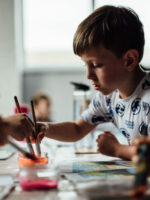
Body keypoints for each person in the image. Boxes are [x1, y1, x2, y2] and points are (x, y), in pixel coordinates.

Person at [34, 5, 149, 161]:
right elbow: (77, 129)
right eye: (85, 65)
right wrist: (44, 128)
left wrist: (117, 149)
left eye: (95, 65)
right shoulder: (108, 97)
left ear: (129, 60)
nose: (88, 75)